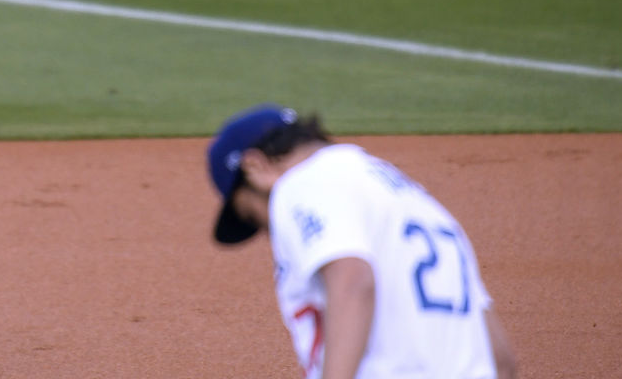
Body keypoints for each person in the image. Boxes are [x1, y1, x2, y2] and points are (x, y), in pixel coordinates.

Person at [207, 104, 517, 379]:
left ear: (255, 167)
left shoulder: (299, 183)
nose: (268, 231)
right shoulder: (415, 199)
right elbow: (500, 360)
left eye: (252, 216)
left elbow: (352, 281)